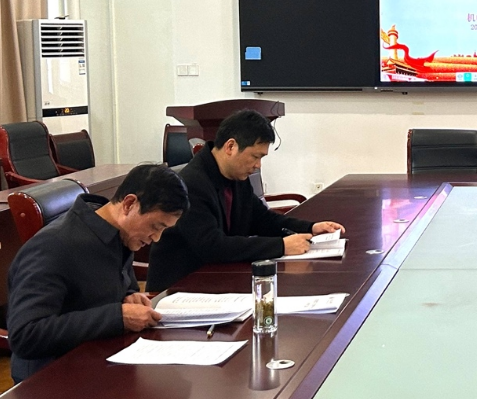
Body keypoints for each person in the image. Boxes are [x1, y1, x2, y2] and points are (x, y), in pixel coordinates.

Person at [6, 164, 189, 383]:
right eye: (155, 226)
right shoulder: (52, 247)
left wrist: (129, 296)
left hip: (99, 358)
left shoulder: (120, 233)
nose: (156, 238)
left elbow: (110, 288)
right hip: (50, 377)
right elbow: (25, 335)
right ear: (129, 204)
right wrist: (118, 317)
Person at [146, 110, 345, 292]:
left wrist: (310, 228)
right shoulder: (191, 183)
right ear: (230, 146)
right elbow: (212, 246)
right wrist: (281, 246)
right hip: (179, 288)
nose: (258, 165)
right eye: (255, 156)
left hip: (218, 280)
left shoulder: (235, 177)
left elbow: (262, 219)